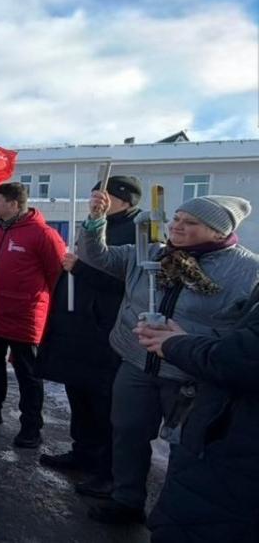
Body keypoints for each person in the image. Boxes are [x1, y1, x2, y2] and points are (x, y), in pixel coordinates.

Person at [77, 193, 259, 525]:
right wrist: (94, 222)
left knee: (185, 448)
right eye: (176, 218)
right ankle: (126, 499)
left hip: (193, 376)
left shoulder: (249, 270)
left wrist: (184, 341)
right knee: (128, 432)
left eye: (190, 223)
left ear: (219, 232)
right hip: (136, 362)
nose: (176, 227)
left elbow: (245, 334)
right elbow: (96, 257)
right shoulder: (152, 252)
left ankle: (170, 514)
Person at [36, 177, 142, 496]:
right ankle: (82, 452)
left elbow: (132, 283)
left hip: (107, 331)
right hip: (78, 327)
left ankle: (106, 469)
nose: (96, 199)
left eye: (104, 194)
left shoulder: (139, 232)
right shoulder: (95, 224)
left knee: (104, 402)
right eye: (95, 193)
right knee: (78, 393)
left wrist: (80, 269)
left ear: (122, 199)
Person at [136, 284, 259, 542]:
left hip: (233, 461)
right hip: (219, 444)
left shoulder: (242, 268)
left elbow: (240, 357)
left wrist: (176, 345)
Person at [0, 181, 66, 449]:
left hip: (26, 318)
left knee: (28, 375)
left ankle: (31, 427)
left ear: (13, 204)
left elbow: (57, 276)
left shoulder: (43, 234)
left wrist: (49, 314)